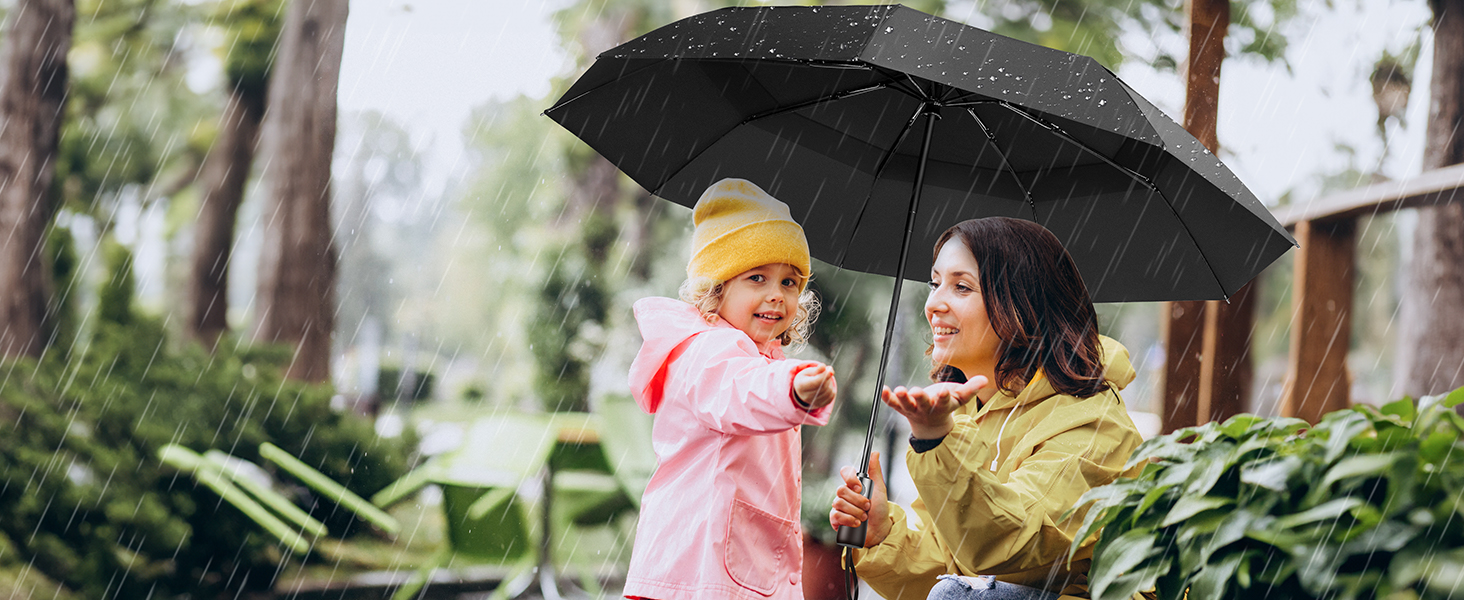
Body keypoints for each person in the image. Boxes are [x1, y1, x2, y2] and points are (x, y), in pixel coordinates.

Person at [829, 217, 1145, 600]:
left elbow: (1010, 547)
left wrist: (934, 442)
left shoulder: (1091, 420)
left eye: (961, 287)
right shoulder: (967, 411)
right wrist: (883, 534)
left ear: (1022, 302)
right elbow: (953, 566)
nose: (934, 304)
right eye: (935, 283)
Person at [624, 178, 839, 600]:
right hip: (699, 570)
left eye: (790, 282)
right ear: (716, 287)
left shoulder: (759, 357)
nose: (776, 295)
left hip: (723, 567)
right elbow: (739, 392)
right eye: (757, 278)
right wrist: (793, 389)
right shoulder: (706, 351)